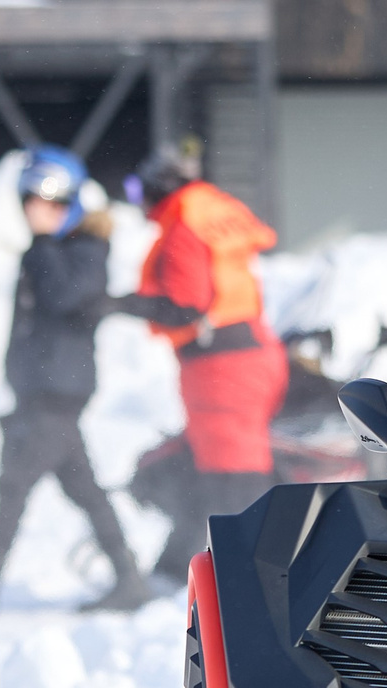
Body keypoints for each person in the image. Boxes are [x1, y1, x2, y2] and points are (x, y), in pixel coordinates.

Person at [0, 146, 147, 616]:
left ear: (70, 204)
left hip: (56, 394)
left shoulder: (84, 249)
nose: (36, 212)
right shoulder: (49, 249)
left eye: (49, 203)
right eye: (30, 202)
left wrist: (45, 242)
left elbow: (63, 297)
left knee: (14, 490)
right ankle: (129, 579)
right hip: (44, 393)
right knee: (83, 492)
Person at [108, 142, 287, 588]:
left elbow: (184, 306)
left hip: (221, 369)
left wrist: (121, 304)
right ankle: (176, 569)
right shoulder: (210, 209)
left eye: (138, 190)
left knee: (235, 480)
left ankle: (249, 579)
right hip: (252, 353)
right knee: (205, 469)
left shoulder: (183, 227)